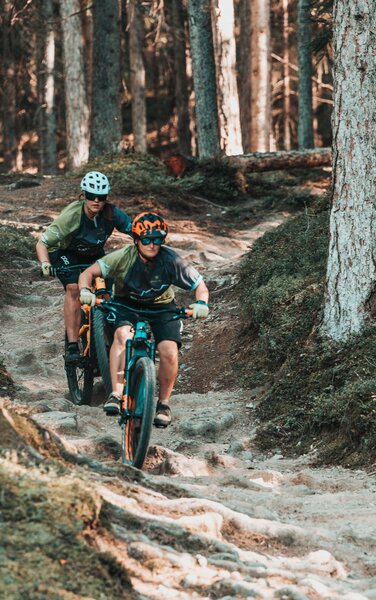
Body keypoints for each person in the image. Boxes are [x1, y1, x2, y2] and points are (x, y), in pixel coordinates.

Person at [78, 212, 209, 427]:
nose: (152, 245)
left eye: (157, 239)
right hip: (126, 304)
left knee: (168, 349)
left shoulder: (171, 260)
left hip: (162, 306)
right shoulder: (122, 257)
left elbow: (200, 287)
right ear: (136, 240)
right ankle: (116, 393)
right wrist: (85, 290)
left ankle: (164, 404)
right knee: (122, 335)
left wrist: (202, 304)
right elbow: (88, 273)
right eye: (146, 240)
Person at [36, 171, 132, 364]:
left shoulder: (111, 214)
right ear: (83, 195)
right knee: (73, 288)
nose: (96, 200)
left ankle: (108, 339)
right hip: (64, 253)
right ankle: (72, 346)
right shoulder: (72, 215)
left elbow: (136, 231)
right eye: (91, 196)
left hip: (92, 253)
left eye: (101, 197)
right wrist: (45, 264)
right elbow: (42, 243)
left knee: (107, 291)